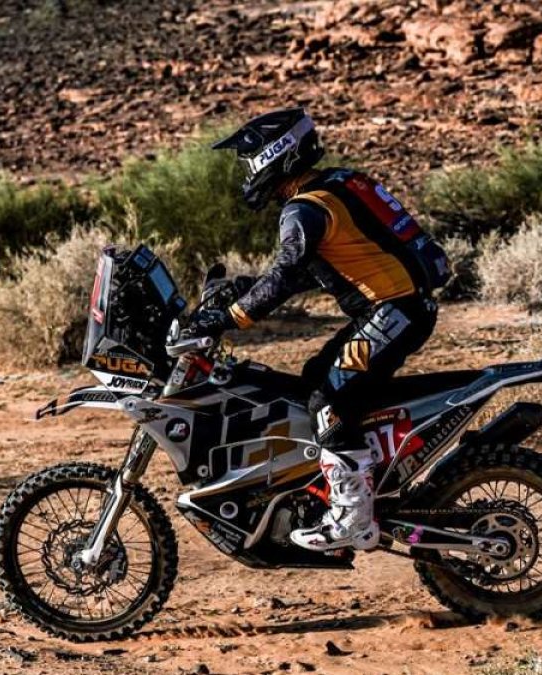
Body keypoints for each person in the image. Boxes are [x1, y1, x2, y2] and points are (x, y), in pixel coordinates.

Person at [192, 107, 450, 552]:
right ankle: (363, 478)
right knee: (316, 375)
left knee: (327, 399)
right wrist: (243, 288)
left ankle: (352, 515)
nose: (248, 168)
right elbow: (331, 265)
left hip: (392, 311)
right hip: (398, 308)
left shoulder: (304, 209)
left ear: (278, 153)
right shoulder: (338, 184)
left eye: (252, 157)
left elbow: (287, 275)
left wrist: (231, 318)